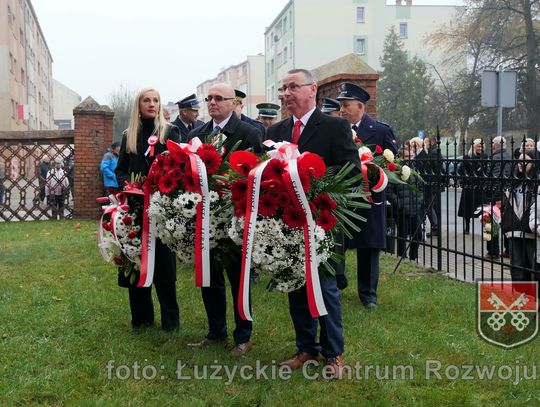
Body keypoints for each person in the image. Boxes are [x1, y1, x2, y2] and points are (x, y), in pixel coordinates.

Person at [266, 69, 361, 379]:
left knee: (325, 286)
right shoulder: (278, 129)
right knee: (295, 283)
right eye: (284, 88)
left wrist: (308, 176)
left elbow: (351, 171)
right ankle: (306, 348)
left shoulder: (334, 127)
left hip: (322, 220)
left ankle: (334, 353)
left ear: (312, 90)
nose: (287, 93)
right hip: (287, 222)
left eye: (293, 87)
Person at [187, 83, 262, 356]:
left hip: (234, 217)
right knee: (210, 277)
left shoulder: (249, 133)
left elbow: (255, 175)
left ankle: (244, 335)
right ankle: (215, 331)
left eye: (219, 98)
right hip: (205, 219)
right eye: (209, 98)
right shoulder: (199, 134)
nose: (213, 102)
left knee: (238, 278)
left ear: (233, 102)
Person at [115, 87, 180, 332]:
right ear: (138, 105)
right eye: (146, 100)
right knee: (135, 259)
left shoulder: (171, 132)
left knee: (164, 266)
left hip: (161, 209)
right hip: (134, 209)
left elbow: (180, 167)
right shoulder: (128, 135)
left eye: (156, 100)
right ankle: (141, 319)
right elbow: (121, 169)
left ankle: (170, 323)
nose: (152, 104)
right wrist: (127, 186)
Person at [337, 82, 399, 309]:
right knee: (338, 242)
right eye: (340, 106)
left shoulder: (380, 130)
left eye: (346, 105)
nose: (342, 110)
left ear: (360, 106)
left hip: (370, 198)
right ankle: (337, 280)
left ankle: (368, 294)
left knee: (368, 247)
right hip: (343, 196)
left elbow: (393, 163)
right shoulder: (336, 128)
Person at [502, 153, 537, 281]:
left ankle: (534, 296)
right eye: (519, 161)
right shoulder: (513, 180)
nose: (521, 163)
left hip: (531, 231)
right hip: (514, 229)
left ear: (534, 162)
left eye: (525, 161)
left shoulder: (536, 181)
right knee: (516, 267)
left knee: (532, 266)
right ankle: (519, 294)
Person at [486, 136, 512, 259]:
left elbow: (496, 179)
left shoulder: (494, 159)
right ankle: (509, 250)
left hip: (496, 196)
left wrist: (497, 198)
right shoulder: (511, 157)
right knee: (507, 224)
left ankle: (492, 251)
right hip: (509, 195)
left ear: (494, 146)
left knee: (490, 223)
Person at [458, 138, 488, 234]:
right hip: (469, 186)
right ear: (474, 146)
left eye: (482, 146)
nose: (480, 148)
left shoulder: (485, 156)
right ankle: (467, 227)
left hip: (481, 186)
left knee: (484, 209)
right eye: (478, 146)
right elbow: (461, 170)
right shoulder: (467, 157)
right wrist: (467, 178)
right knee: (467, 208)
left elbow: (487, 171)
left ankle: (486, 228)